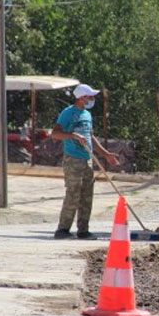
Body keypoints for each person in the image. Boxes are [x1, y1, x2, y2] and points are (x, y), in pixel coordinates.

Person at [51, 84, 120, 240]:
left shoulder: (87, 115)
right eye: (90, 97)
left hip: (87, 159)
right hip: (73, 158)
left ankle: (83, 230)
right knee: (73, 193)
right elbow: (55, 134)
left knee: (87, 195)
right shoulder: (68, 113)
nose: (92, 99)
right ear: (81, 98)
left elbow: (90, 138)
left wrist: (105, 154)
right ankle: (62, 229)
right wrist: (73, 136)